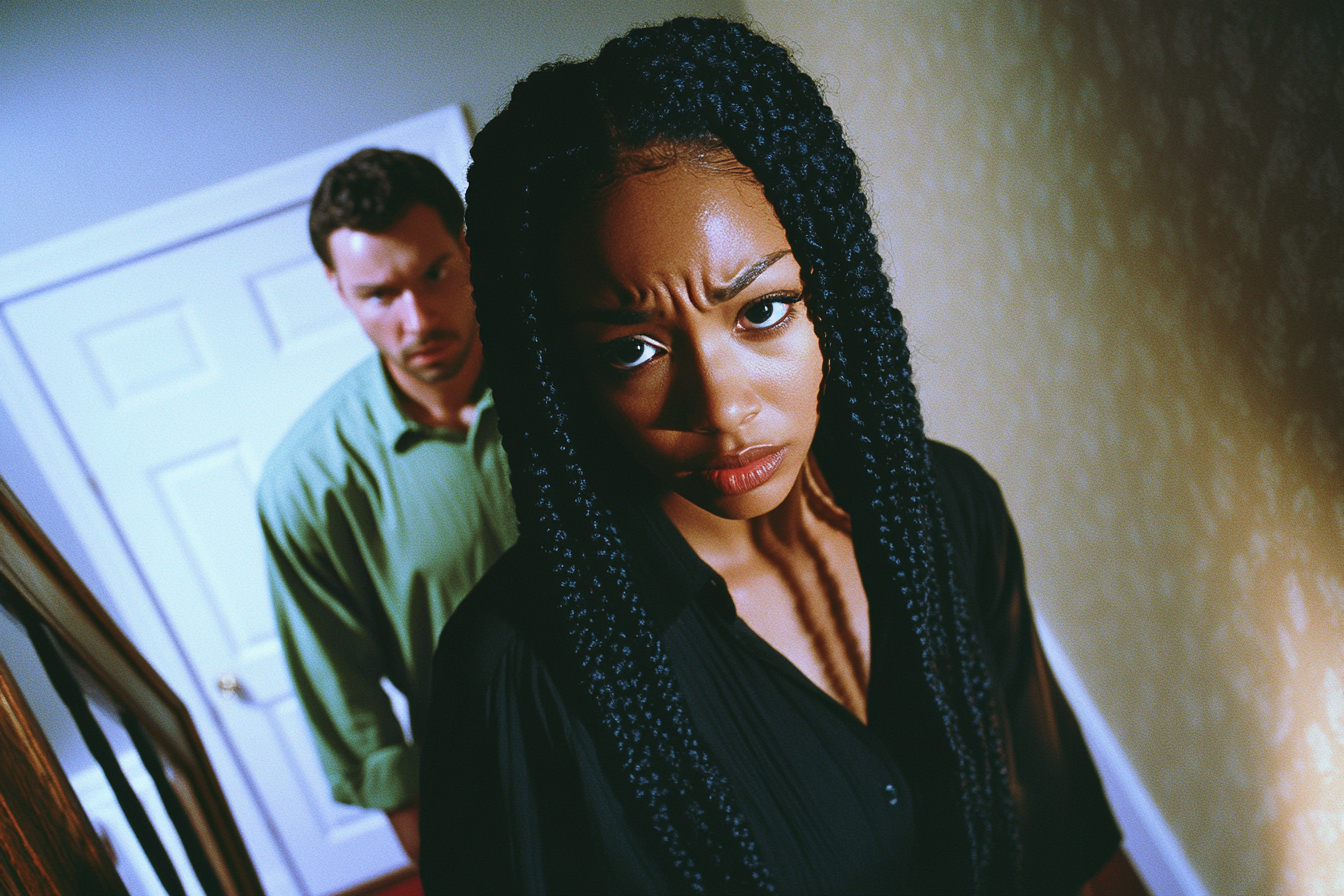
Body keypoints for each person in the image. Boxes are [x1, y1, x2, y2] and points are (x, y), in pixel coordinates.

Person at [420, 18, 1141, 894]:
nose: (722, 411)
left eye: (762, 312)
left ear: (832, 291)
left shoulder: (946, 508)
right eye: (631, 351)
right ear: (559, 373)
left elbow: (1071, 849)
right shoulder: (512, 675)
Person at [257, 148, 517, 865]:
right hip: (501, 784)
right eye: (380, 294)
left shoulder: (586, 372)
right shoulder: (307, 484)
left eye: (435, 274)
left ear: (468, 249)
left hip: (687, 720)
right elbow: (348, 703)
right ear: (338, 289)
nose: (419, 318)